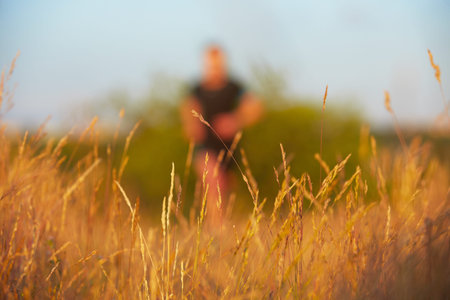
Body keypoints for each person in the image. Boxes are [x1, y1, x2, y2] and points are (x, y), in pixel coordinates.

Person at [180, 44, 262, 226]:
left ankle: (220, 231)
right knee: (213, 182)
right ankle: (216, 232)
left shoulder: (234, 87)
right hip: (206, 146)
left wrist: (235, 120)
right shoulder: (197, 89)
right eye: (211, 63)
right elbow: (187, 111)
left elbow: (256, 109)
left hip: (229, 147)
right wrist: (192, 126)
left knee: (224, 191)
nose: (215, 67)